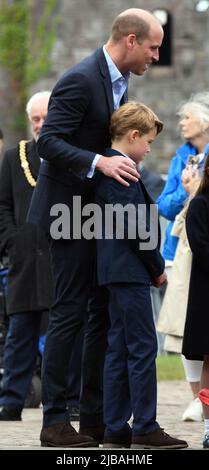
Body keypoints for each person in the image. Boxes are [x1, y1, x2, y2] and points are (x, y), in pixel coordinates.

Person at [27, 8, 164, 447]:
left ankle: (95, 420)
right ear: (129, 40)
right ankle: (53, 422)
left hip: (93, 216)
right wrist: (99, 161)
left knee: (98, 316)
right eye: (152, 46)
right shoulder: (81, 78)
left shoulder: (119, 84)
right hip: (65, 214)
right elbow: (47, 141)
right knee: (68, 313)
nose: (156, 56)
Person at [96, 101, 187, 449]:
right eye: (147, 141)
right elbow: (134, 228)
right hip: (129, 271)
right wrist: (157, 266)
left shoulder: (112, 168)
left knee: (119, 348)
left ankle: (115, 426)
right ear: (133, 136)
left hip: (115, 271)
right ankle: (145, 425)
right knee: (142, 347)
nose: (149, 148)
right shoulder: (121, 171)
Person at [0, 91, 54, 420]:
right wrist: (11, 241)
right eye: (35, 119)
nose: (40, 125)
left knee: (66, 335)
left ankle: (69, 400)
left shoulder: (72, 156)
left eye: (46, 118)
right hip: (24, 262)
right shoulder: (13, 157)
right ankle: (11, 400)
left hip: (60, 261)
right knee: (20, 334)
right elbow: (3, 206)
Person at [157, 92, 209, 421]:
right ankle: (195, 396)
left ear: (203, 121)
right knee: (186, 325)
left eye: (186, 118)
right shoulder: (181, 158)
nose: (181, 124)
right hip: (183, 249)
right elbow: (165, 204)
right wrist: (187, 189)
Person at [182, 148, 209, 449]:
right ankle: (208, 427)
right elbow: (201, 247)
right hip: (207, 297)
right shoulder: (200, 205)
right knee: (208, 362)